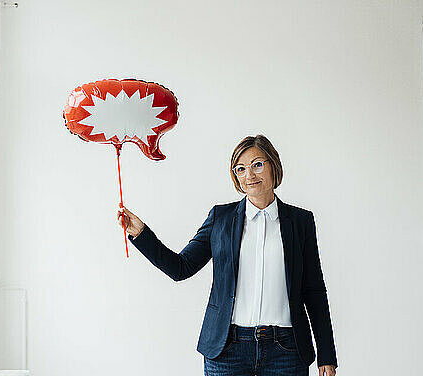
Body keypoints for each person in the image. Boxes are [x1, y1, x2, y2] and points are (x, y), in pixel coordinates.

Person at [117, 135, 337, 376]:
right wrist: (141, 234)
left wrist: (326, 354)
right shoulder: (220, 218)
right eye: (240, 168)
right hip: (227, 350)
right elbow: (181, 268)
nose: (250, 175)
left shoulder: (301, 221)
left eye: (257, 164)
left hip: (286, 349)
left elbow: (314, 290)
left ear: (274, 164)